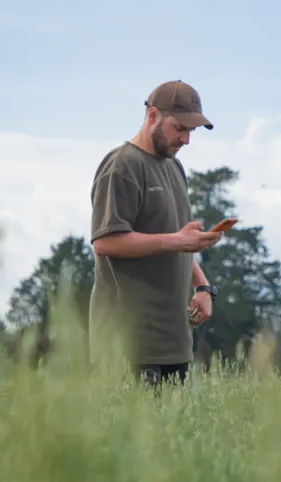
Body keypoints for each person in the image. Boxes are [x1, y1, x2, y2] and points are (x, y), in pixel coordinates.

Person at [88, 79, 223, 389]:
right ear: (152, 116)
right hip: (128, 347)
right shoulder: (121, 167)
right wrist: (177, 240)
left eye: (191, 132)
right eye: (179, 128)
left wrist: (203, 287)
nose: (186, 139)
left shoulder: (175, 168)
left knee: (171, 439)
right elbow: (105, 241)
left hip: (173, 342)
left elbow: (175, 241)